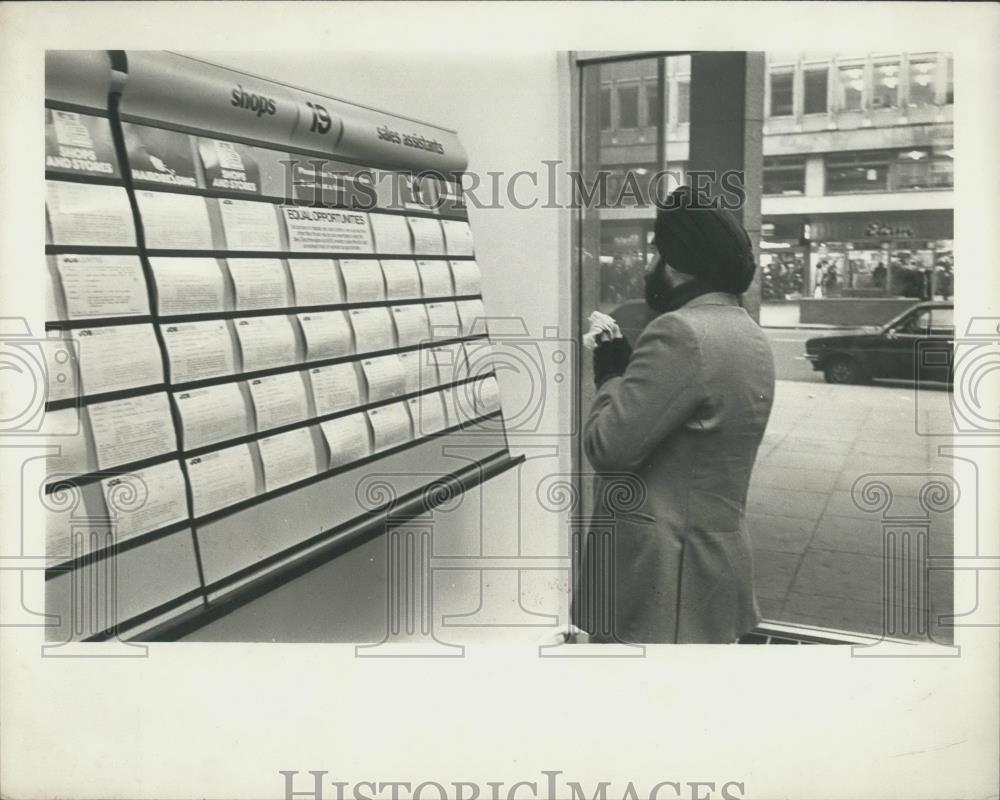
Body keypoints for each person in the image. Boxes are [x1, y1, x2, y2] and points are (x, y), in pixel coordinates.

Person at [575, 186, 775, 644]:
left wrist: (609, 375)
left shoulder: (678, 332)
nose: (649, 267)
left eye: (655, 254)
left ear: (679, 265)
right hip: (712, 566)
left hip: (660, 580)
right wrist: (633, 375)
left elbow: (607, 447)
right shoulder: (748, 333)